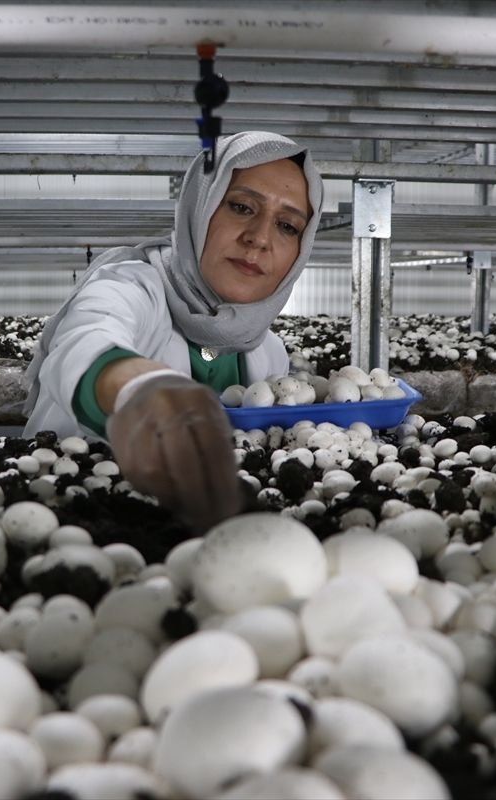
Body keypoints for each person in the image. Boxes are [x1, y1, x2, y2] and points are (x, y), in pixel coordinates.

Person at [23, 131, 324, 531]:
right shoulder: (130, 288)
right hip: (73, 522)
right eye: (240, 206)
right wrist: (141, 393)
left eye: (287, 226)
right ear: (199, 207)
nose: (260, 238)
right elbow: (86, 340)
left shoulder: (268, 352)